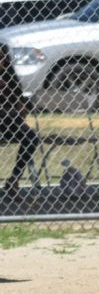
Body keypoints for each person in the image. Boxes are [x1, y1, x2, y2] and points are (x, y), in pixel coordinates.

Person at [0, 44, 40, 198]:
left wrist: (20, 106)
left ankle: (14, 179)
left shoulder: (9, 77)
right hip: (6, 118)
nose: (1, 62)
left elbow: (19, 101)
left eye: (2, 58)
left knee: (31, 138)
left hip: (9, 122)